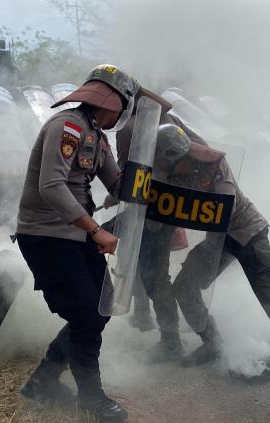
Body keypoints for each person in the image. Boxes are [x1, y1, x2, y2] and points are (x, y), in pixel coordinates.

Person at [115, 119, 270, 397]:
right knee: (184, 286)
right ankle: (212, 342)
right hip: (218, 240)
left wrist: (175, 206)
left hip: (246, 231)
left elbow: (223, 209)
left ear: (179, 156)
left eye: (165, 164)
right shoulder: (171, 171)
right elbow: (160, 209)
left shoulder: (213, 166)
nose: (164, 170)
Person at [14, 64, 168, 422]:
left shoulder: (96, 136)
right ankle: (92, 399)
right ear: (112, 102)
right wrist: (97, 231)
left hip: (76, 233)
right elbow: (50, 186)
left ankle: (42, 382)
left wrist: (147, 180)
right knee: (87, 313)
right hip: (47, 234)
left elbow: (116, 184)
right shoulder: (66, 127)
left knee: (99, 309)